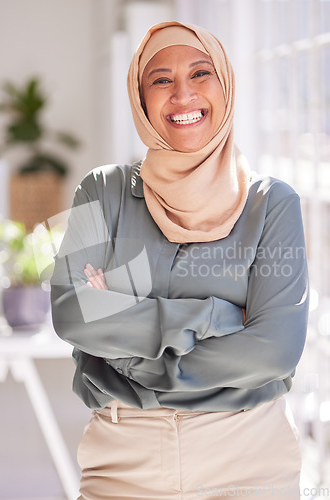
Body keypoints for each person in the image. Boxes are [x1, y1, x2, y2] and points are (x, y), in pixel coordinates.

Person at [51, 20, 309, 500]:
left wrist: (125, 354)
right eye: (161, 80)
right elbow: (72, 311)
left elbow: (274, 351)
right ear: (141, 98)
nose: (183, 95)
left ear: (225, 85)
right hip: (123, 460)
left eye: (201, 73)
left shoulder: (272, 204)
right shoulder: (102, 191)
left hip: (248, 458)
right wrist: (216, 316)